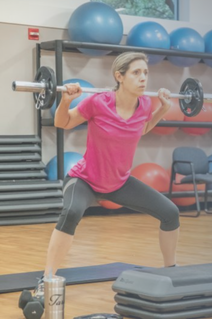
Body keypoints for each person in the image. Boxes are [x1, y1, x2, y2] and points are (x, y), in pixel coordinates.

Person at [34, 52, 180, 299]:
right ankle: (47, 279)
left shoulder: (144, 104)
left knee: (170, 213)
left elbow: (142, 128)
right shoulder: (98, 102)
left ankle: (172, 272)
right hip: (86, 180)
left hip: (119, 183)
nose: (143, 78)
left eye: (145, 73)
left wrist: (162, 110)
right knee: (70, 213)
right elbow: (63, 123)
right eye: (136, 72)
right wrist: (65, 100)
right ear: (119, 76)